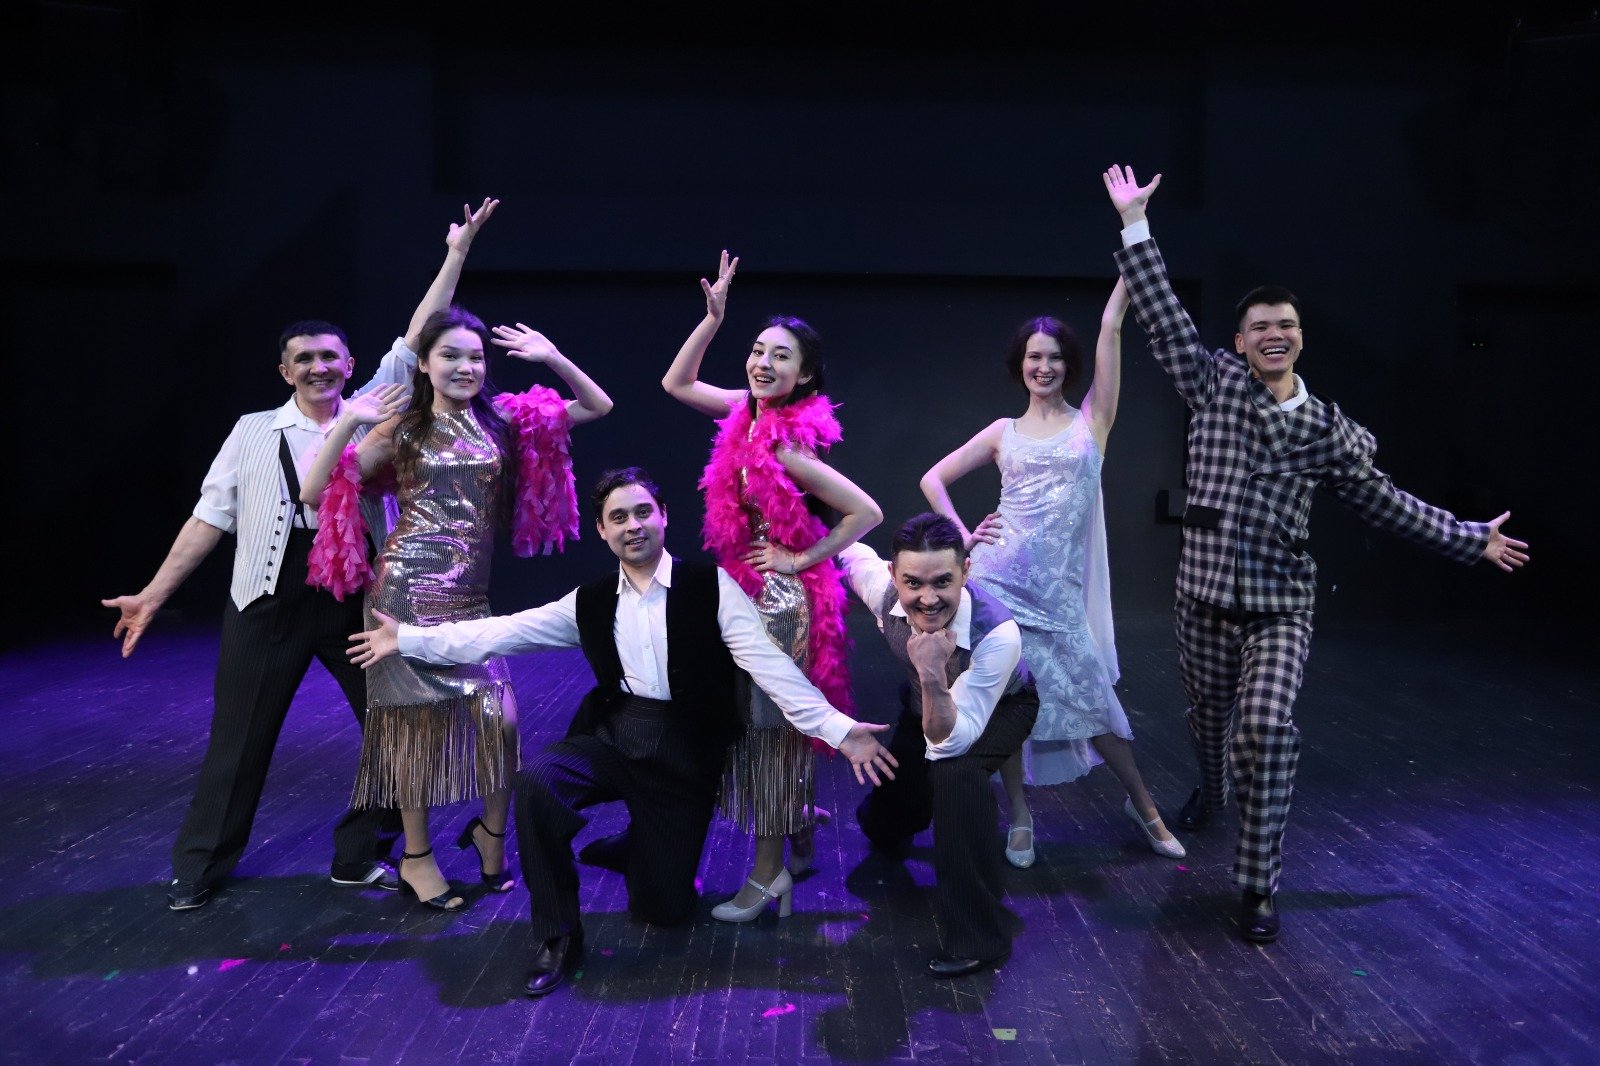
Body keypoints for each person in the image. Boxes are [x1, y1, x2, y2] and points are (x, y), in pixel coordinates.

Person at [1102, 163, 1530, 943]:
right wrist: (1136, 223)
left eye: (1287, 325)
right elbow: (1163, 318)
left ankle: (1257, 886)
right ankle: (1210, 787)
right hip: (1203, 595)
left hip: (1281, 606)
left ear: (1300, 338)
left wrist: (1472, 537)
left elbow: (1386, 502)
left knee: (1265, 731)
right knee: (1208, 720)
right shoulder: (1214, 383)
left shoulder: (1330, 431)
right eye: (1260, 325)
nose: (1275, 333)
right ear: (1240, 342)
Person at [345, 467, 897, 996]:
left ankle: (636, 846)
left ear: (664, 516)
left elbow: (771, 669)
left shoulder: (711, 587)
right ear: (602, 530)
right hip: (616, 736)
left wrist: (841, 730)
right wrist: (408, 639)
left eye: (642, 512)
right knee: (537, 784)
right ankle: (558, 935)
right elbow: (501, 632)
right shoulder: (588, 600)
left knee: (666, 911)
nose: (633, 525)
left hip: (683, 754)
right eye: (619, 517)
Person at [101, 197, 499, 911]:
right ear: (285, 371)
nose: (318, 367)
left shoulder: (378, 406)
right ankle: (200, 866)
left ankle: (361, 853)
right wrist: (153, 595)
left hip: (355, 597)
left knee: (392, 729)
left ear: (350, 364)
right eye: (304, 360)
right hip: (268, 596)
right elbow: (208, 518)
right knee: (239, 740)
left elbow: (420, 332)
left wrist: (456, 254)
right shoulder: (252, 430)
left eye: (328, 357)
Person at [298, 288, 612, 912]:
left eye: (475, 357)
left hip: (468, 595)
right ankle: (417, 857)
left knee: (501, 721)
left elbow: (596, 405)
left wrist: (552, 357)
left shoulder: (503, 420)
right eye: (450, 356)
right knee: (414, 734)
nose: (465, 367)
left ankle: (491, 834)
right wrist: (350, 422)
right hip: (405, 591)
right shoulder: (402, 426)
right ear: (424, 363)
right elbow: (314, 490)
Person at [921, 278, 1184, 869]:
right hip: (998, 586)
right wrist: (963, 537)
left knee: (1094, 703)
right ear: (1021, 365)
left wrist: (1132, 260)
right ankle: (1020, 816)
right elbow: (932, 479)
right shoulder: (1002, 431)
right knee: (1009, 704)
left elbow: (1112, 327)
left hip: (1058, 595)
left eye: (1055, 357)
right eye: (1034, 357)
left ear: (1069, 365)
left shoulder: (1092, 421)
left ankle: (1145, 808)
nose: (1044, 367)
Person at [660, 251, 882, 920]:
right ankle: (794, 834)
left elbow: (865, 512)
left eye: (780, 356)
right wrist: (712, 320)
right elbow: (676, 382)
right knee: (761, 726)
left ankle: (767, 876)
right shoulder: (746, 414)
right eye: (757, 351)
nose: (762, 363)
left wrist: (800, 557)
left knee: (769, 733)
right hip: (741, 593)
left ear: (804, 375)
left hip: (779, 604)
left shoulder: (787, 445)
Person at [838, 513, 1040, 978]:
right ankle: (889, 820)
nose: (928, 599)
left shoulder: (996, 633)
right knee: (888, 821)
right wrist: (795, 557)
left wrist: (931, 672)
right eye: (913, 583)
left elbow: (951, 742)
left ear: (965, 572)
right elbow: (849, 551)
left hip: (999, 710)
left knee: (954, 777)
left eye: (943, 582)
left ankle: (981, 937)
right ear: (893, 575)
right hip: (922, 709)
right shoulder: (880, 588)